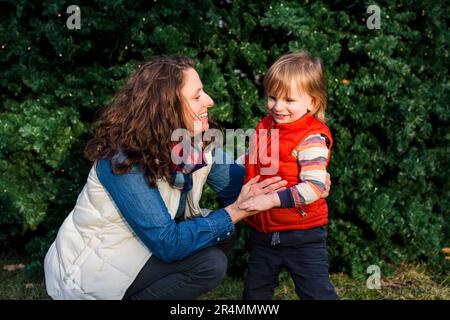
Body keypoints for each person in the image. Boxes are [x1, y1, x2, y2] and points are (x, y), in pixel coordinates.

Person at [43, 55, 290, 300]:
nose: (210, 101)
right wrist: (235, 212)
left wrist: (300, 171)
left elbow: (243, 185)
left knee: (223, 233)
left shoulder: (194, 143)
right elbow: (167, 243)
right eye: (196, 96)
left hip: (140, 253)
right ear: (166, 107)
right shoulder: (122, 160)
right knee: (210, 261)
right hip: (91, 275)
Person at [238, 52, 339, 300]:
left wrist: (271, 199)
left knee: (316, 293)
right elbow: (254, 159)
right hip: (264, 232)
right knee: (254, 293)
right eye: (272, 97)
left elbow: (314, 187)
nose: (278, 106)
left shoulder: (312, 138)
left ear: (312, 103)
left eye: (289, 100)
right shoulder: (267, 125)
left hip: (302, 233)